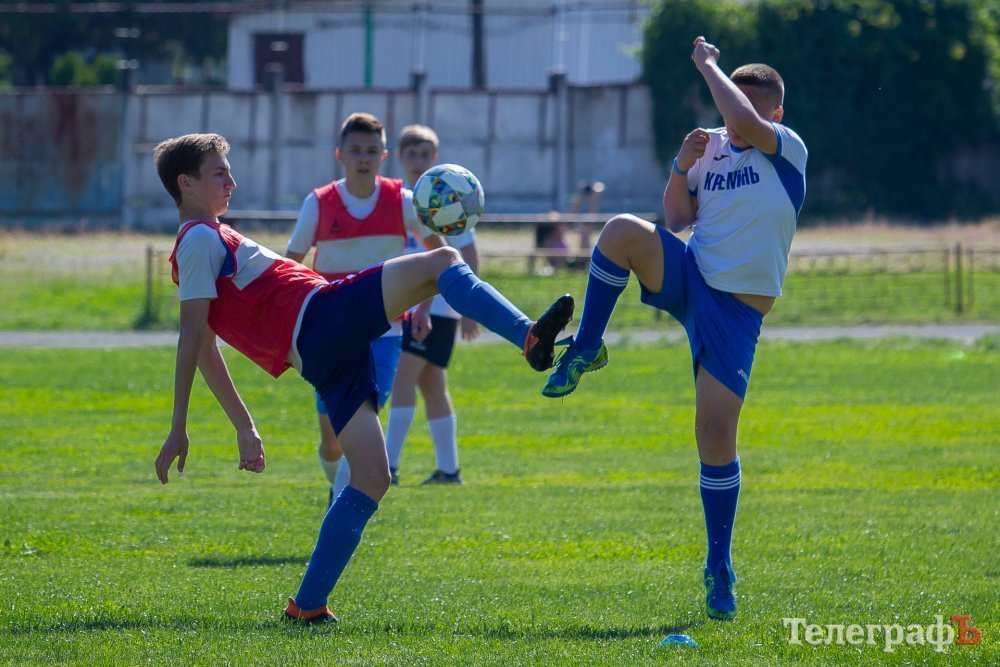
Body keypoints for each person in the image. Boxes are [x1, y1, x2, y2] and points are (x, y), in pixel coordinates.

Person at [152, 132, 574, 622]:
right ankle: (527, 337)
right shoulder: (200, 238)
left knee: (372, 477)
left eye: (229, 171)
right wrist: (179, 425)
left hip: (321, 357)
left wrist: (243, 426)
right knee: (443, 260)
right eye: (219, 173)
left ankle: (307, 606)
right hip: (322, 317)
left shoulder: (205, 238)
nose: (232, 182)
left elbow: (204, 345)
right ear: (185, 183)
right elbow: (193, 341)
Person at [541, 36, 807, 621]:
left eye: (752, 105)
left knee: (714, 435)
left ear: (776, 112)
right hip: (693, 276)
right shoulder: (711, 145)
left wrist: (709, 66)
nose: (736, 117)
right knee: (620, 230)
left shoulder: (787, 148)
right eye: (733, 104)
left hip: (736, 313)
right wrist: (681, 167)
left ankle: (719, 564)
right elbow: (678, 218)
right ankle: (585, 347)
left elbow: (743, 118)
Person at [284, 112, 440, 505]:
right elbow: (289, 267)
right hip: (331, 333)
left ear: (384, 156)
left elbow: (439, 256)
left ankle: (340, 507)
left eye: (372, 150)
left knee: (363, 418)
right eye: (355, 150)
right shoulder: (319, 203)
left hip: (385, 330)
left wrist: (424, 307)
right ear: (340, 154)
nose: (364, 158)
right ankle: (335, 486)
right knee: (333, 441)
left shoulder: (403, 201)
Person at [384, 124, 479, 485]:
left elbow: (468, 253)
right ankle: (449, 470)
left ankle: (389, 466)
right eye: (412, 154)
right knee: (432, 386)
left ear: (435, 158)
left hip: (435, 306)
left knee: (403, 379)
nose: (418, 161)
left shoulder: (447, 200)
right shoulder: (398, 199)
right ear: (399, 157)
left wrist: (468, 307)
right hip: (412, 302)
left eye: (425, 155)